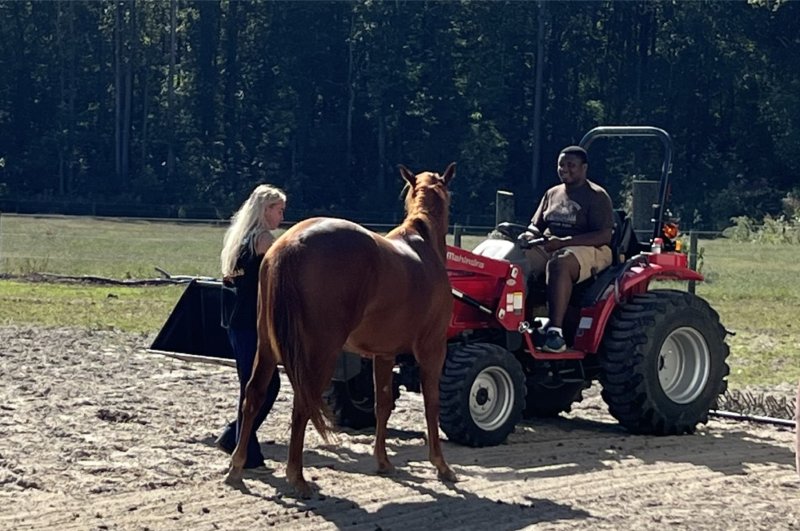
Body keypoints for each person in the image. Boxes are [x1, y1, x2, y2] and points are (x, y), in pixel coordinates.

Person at [215, 184, 287, 468]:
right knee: (261, 386)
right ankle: (236, 437)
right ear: (266, 210)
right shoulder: (265, 240)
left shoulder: (240, 239)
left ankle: (246, 447)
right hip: (251, 323)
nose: (282, 216)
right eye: (279, 210)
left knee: (253, 384)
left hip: (236, 321)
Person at [520, 145, 614, 353]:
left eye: (571, 165)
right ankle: (517, 321)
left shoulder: (596, 196)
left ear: (584, 168)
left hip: (592, 247)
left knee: (559, 263)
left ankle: (555, 332)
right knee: (514, 260)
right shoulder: (552, 193)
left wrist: (563, 243)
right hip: (552, 244)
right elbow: (536, 225)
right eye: (561, 165)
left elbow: (604, 235)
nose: (565, 169)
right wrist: (529, 235)